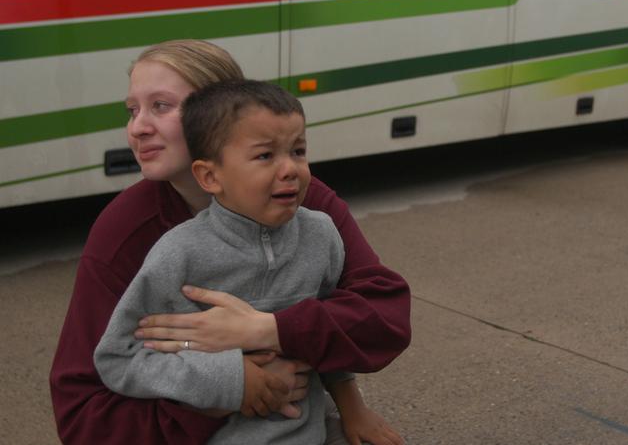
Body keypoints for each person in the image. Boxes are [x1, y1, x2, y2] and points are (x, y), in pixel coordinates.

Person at [49, 40, 411, 445]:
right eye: (133, 110)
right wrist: (226, 393)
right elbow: (84, 414)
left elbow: (381, 316)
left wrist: (268, 330)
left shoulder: (304, 206)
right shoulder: (129, 232)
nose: (138, 127)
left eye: (162, 106)